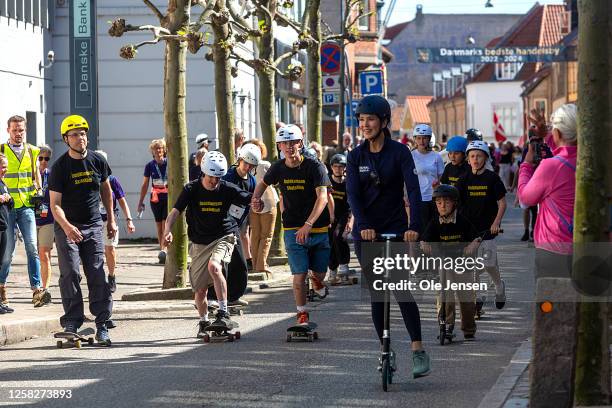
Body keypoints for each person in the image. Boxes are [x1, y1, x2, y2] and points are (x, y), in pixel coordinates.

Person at [345, 95, 431, 378]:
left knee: (400, 288)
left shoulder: (400, 153)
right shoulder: (356, 156)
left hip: (395, 228)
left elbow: (414, 191)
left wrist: (414, 225)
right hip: (367, 233)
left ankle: (418, 349)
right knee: (377, 293)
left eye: (370, 120)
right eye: (361, 120)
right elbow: (353, 196)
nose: (364, 125)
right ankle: (385, 349)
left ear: (383, 122)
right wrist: (364, 224)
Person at [163, 151, 251, 337]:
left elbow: (250, 198)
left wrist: (260, 199)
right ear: (204, 172)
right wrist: (167, 231)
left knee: (215, 267)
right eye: (211, 177)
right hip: (200, 242)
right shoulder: (191, 189)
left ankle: (223, 311)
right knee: (200, 290)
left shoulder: (227, 188)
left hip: (224, 236)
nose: (214, 181)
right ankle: (203, 322)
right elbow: (174, 212)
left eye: (218, 177)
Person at [251, 124, 331, 326]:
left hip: (318, 228)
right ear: (279, 146)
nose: (288, 147)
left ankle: (317, 279)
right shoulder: (278, 167)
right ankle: (301, 314)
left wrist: (309, 224)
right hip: (292, 228)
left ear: (300, 143)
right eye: (283, 143)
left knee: (320, 272)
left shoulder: (315, 167)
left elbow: (322, 197)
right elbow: (262, 183)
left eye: (292, 142)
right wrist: (256, 199)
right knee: (299, 275)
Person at [49, 115, 116, 345]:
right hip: (67, 226)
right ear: (66, 139)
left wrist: (112, 219)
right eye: (75, 135)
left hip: (94, 225)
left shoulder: (98, 160)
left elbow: (106, 190)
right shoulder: (59, 167)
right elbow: (55, 204)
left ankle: (102, 323)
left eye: (83, 133)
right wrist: (67, 228)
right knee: (70, 272)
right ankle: (72, 320)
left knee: (97, 272)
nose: (81, 138)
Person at [518, 104, 577, 277]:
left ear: (558, 133)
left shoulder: (551, 166)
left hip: (555, 249)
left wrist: (526, 166)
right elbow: (569, 150)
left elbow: (524, 199)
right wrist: (548, 135)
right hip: (590, 246)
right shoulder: (594, 161)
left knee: (551, 302)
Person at [421, 184, 480, 341]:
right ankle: (446, 324)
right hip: (444, 262)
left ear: (455, 203)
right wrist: (425, 246)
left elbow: (476, 237)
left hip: (462, 263)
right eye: (439, 202)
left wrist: (471, 246)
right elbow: (425, 239)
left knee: (466, 297)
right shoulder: (434, 223)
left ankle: (468, 328)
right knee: (445, 294)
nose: (442, 205)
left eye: (446, 202)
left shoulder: (462, 221)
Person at [0, 115, 48, 308]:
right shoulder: (1, 150)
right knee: (7, 252)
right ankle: (1, 287)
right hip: (7, 207)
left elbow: (36, 177)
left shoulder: (33, 151)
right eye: (15, 130)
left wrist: (39, 193)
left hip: (26, 205)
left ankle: (37, 290)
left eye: (21, 130)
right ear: (8, 130)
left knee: (32, 247)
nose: (18, 134)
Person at [456, 140, 507, 312]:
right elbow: (456, 203)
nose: (475, 159)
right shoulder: (463, 179)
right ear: (468, 159)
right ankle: (477, 297)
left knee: (489, 264)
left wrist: (496, 222)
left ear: (485, 157)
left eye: (479, 156)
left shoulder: (492, 178)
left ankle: (499, 286)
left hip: (488, 228)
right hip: (469, 230)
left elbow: (502, 203)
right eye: (472, 156)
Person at [95, 151, 135, 293]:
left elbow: (122, 201)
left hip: (110, 220)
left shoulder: (112, 180)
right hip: (94, 221)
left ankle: (111, 276)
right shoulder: (90, 179)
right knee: (95, 253)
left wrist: (129, 220)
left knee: (109, 249)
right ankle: (98, 281)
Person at [223, 143, 260, 271]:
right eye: (246, 163)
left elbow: (252, 199)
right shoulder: (228, 176)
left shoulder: (252, 181)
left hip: (242, 214)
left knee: (243, 234)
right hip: (227, 215)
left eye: (251, 166)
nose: (248, 167)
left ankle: (247, 260)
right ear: (240, 160)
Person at [247, 139, 279, 277]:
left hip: (252, 203)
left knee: (255, 235)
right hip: (268, 202)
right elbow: (275, 181)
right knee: (266, 235)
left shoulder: (247, 166)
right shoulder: (265, 165)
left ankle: (255, 264)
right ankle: (262, 265)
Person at [137, 139, 168, 264]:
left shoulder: (169, 163)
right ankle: (162, 250)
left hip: (168, 197)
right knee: (159, 226)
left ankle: (165, 250)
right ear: (152, 151)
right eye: (156, 149)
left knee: (166, 224)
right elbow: (145, 185)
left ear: (164, 150)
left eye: (160, 148)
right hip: (155, 198)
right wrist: (140, 201)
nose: (158, 151)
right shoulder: (149, 166)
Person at [411, 124, 445, 228]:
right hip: (417, 197)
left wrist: (437, 184)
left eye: (424, 138)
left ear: (429, 139)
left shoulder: (436, 156)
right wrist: (405, 195)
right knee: (417, 228)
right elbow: (405, 178)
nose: (421, 141)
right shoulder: (411, 155)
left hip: (433, 198)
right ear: (415, 139)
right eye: (419, 138)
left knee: (433, 227)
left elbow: (441, 176)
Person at [327, 154, 353, 284]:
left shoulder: (348, 183)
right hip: (329, 216)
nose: (338, 169)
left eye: (341, 166)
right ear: (331, 167)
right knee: (331, 242)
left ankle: (344, 266)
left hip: (344, 215)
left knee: (339, 237)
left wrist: (351, 221)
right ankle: (332, 270)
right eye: (335, 166)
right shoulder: (327, 182)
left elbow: (353, 203)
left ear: (345, 168)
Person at [36, 145, 55, 294]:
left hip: (47, 219)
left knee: (44, 254)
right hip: (29, 218)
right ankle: (35, 286)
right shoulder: (28, 175)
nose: (43, 161)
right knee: (34, 254)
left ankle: (45, 288)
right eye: (40, 158)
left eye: (46, 158)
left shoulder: (52, 175)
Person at [0, 154, 14, 314]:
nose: (5, 169)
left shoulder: (3, 183)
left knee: (1, 263)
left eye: (6, 166)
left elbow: (10, 206)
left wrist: (9, 199)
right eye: (3, 166)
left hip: (4, 226)